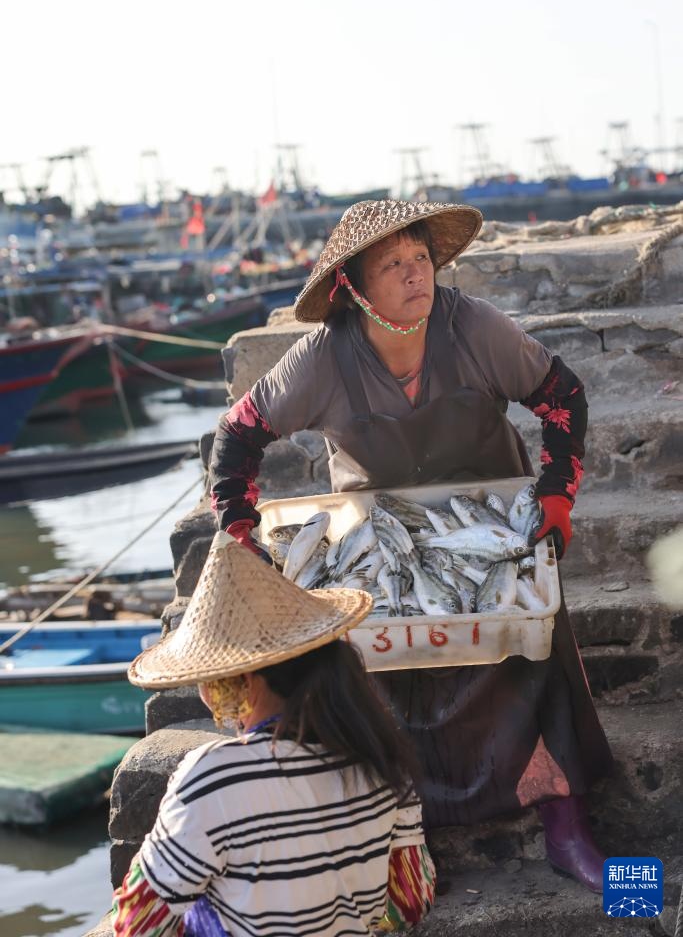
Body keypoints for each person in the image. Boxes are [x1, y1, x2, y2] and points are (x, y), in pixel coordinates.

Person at [209, 198, 614, 894]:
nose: (413, 274)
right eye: (391, 265)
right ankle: (400, 832)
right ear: (353, 288)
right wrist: (240, 532)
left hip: (484, 521)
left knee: (531, 637)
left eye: (420, 259)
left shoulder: (474, 328)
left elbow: (561, 396)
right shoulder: (321, 359)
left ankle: (563, 818)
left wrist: (555, 492)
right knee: (378, 667)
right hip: (378, 534)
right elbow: (238, 436)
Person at [111, 531, 435, 937]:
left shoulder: (212, 777)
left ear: (243, 680)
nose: (204, 690)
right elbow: (409, 902)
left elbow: (136, 924)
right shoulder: (381, 757)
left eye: (208, 676)